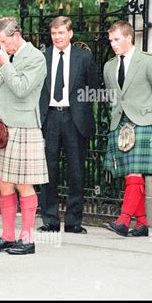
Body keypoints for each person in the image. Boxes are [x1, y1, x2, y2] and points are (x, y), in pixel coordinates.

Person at [0, 16, 48, 255]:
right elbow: (5, 90)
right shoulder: (10, 56)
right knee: (3, 182)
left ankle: (27, 239)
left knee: (23, 184)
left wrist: (5, 64)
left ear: (16, 35)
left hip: (25, 126)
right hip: (5, 127)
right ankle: (8, 236)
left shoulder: (36, 58)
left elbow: (21, 89)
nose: (1, 47)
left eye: (3, 41)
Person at [103, 21, 152, 237]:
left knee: (134, 171)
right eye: (111, 40)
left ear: (129, 38)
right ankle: (141, 224)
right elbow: (113, 97)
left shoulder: (148, 62)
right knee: (131, 173)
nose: (113, 44)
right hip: (120, 123)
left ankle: (123, 220)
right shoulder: (109, 67)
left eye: (117, 39)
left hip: (143, 123)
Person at [37, 16, 99, 234]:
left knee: (76, 171)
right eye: (54, 33)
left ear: (70, 34)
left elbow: (92, 87)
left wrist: (82, 110)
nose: (57, 37)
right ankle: (50, 220)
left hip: (74, 119)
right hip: (50, 118)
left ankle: (73, 221)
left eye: (61, 33)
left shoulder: (84, 57)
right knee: (48, 170)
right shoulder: (42, 57)